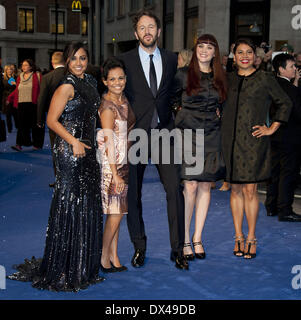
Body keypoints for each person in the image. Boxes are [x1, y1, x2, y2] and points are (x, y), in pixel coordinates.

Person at [8, 42, 104, 291]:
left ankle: (83, 265)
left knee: (88, 203)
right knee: (70, 203)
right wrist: (73, 142)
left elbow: (96, 115)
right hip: (70, 153)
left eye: (83, 58)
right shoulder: (66, 86)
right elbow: (51, 120)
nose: (79, 63)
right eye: (74, 59)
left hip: (90, 150)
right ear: (68, 62)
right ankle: (65, 266)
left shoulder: (92, 83)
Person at [119, 10, 187, 270]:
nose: (147, 31)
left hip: (164, 134)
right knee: (133, 195)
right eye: (142, 28)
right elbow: (114, 92)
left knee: (175, 191)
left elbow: (175, 91)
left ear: (159, 31)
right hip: (135, 135)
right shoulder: (124, 60)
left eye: (151, 27)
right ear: (136, 33)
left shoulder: (171, 59)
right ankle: (139, 247)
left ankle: (178, 249)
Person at [221, 38, 292, 259]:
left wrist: (272, 128)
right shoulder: (227, 79)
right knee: (235, 190)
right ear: (234, 56)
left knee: (250, 191)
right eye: (240, 52)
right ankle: (238, 236)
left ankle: (251, 237)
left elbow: (285, 102)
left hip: (253, 142)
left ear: (255, 56)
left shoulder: (265, 78)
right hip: (229, 142)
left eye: (249, 52)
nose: (244, 56)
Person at [174, 34, 227, 261]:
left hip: (212, 134)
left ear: (215, 52)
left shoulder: (221, 77)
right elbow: (168, 100)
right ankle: (185, 239)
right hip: (188, 133)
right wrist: (179, 115)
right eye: (201, 47)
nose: (204, 50)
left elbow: (225, 104)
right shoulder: (183, 75)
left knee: (206, 186)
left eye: (209, 47)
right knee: (191, 186)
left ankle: (197, 237)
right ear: (195, 50)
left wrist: (219, 114)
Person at [97, 57, 135, 273]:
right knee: (116, 213)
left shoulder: (124, 101)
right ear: (105, 81)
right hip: (113, 166)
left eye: (120, 78)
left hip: (124, 162)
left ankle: (114, 255)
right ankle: (103, 256)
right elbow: (109, 141)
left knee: (117, 212)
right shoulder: (109, 107)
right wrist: (115, 174)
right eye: (112, 79)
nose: (117, 82)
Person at [265, 54, 301, 222]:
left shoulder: (271, 85)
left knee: (275, 171)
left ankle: (271, 206)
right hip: (291, 136)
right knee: (288, 173)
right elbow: (297, 112)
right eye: (292, 66)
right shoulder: (291, 90)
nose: (295, 69)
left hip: (275, 135)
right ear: (281, 69)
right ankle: (285, 210)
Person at [37, 51, 65, 187]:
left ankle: (59, 179)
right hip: (71, 118)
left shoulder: (47, 77)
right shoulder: (72, 75)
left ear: (52, 63)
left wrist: (39, 119)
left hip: (54, 119)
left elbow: (41, 99)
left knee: (56, 149)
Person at [8, 59, 44, 151]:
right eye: (22, 65)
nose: (23, 67)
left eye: (26, 65)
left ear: (31, 66)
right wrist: (10, 98)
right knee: (21, 125)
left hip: (33, 104)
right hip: (21, 104)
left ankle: (37, 144)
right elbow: (17, 89)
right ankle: (19, 144)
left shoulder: (37, 75)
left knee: (35, 125)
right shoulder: (19, 76)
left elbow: (42, 89)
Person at [2, 65, 18, 133]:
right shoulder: (3, 78)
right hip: (7, 97)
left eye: (11, 69)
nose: (9, 71)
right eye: (8, 69)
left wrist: (16, 84)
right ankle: (9, 129)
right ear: (6, 71)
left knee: (16, 114)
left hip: (14, 97)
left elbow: (19, 87)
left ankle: (17, 126)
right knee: (8, 114)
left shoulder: (16, 77)